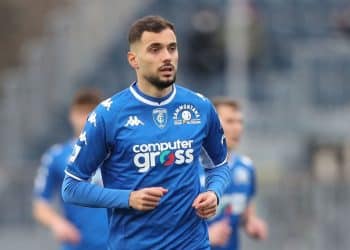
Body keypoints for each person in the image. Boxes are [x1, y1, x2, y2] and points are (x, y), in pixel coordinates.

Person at [61, 15, 230, 250]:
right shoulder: (108, 115)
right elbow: (71, 187)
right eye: (155, 49)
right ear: (134, 59)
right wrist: (128, 198)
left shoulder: (200, 108)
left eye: (172, 48)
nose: (167, 57)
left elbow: (219, 165)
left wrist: (214, 193)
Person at [33, 89, 108, 250]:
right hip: (76, 244)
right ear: (71, 116)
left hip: (115, 243)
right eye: (81, 113)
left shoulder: (116, 153)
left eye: (91, 112)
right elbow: (40, 205)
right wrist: (57, 224)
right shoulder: (56, 156)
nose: (86, 118)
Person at [203, 97, 268, 250]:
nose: (237, 128)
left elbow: (246, 215)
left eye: (240, 122)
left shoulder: (246, 168)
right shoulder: (190, 169)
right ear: (210, 125)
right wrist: (206, 237)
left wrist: (252, 224)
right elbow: (168, 227)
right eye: (230, 121)